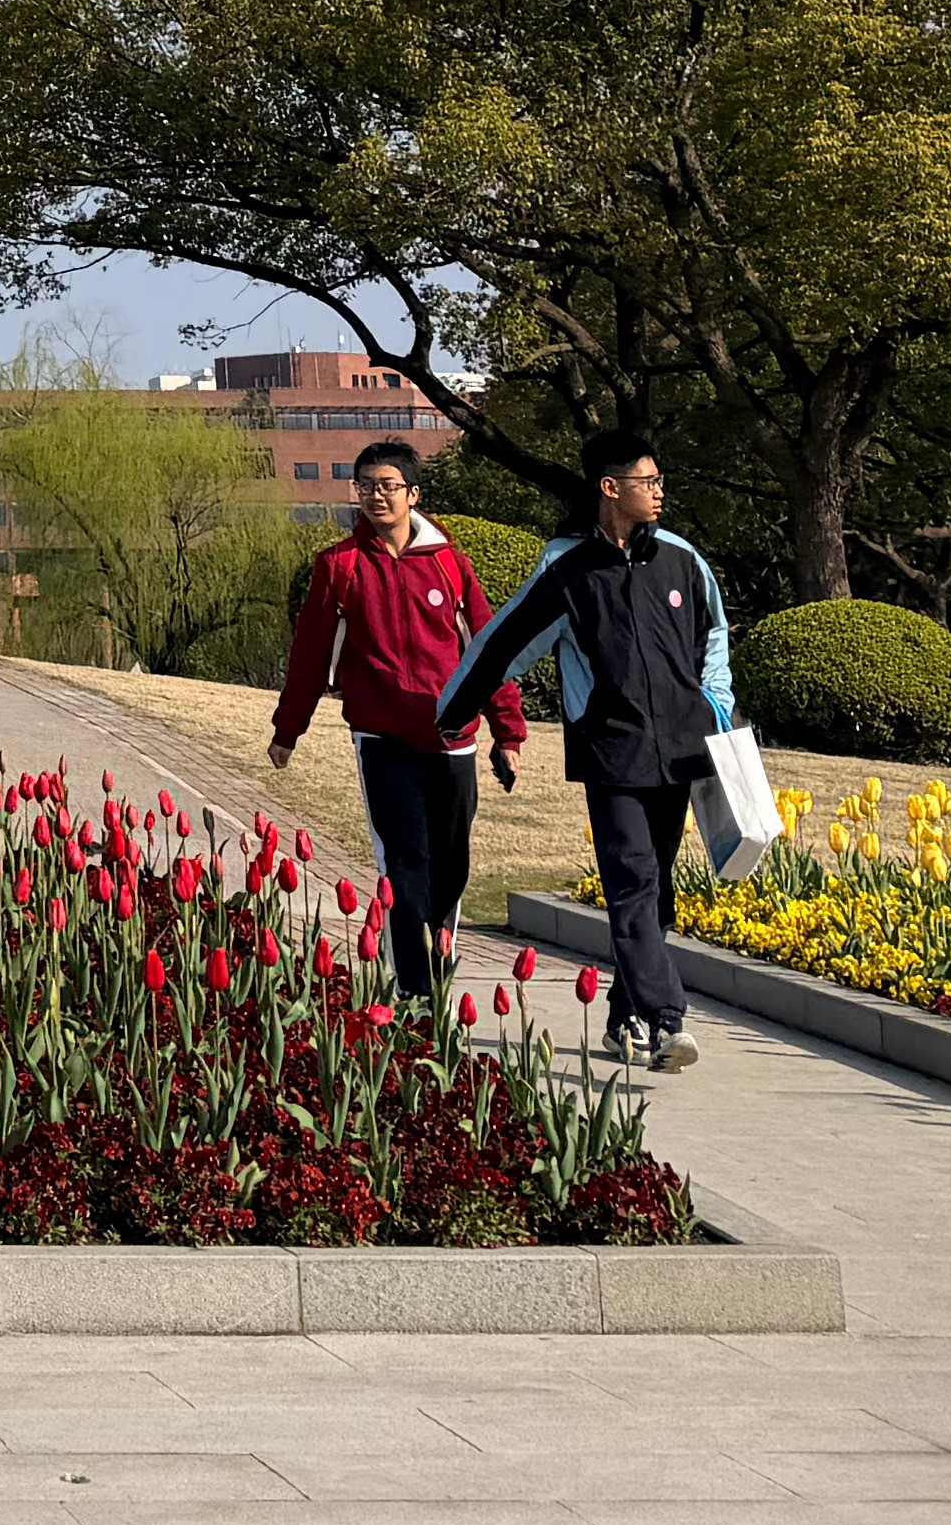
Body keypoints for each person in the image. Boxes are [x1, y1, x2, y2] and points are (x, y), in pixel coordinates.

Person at [437, 431, 738, 1075]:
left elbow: (714, 635)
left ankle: (623, 1018)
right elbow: (504, 642)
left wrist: (713, 702)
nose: (659, 492)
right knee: (631, 883)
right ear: (610, 488)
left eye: (660, 481)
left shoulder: (683, 560)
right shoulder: (568, 572)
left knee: (656, 897)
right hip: (611, 751)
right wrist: (454, 712)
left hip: (680, 752)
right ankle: (665, 1021)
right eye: (647, 482)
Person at [266, 443, 526, 1001]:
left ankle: (439, 959)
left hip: (451, 738)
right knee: (405, 861)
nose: (375, 495)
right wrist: (290, 729)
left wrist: (508, 730)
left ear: (413, 495)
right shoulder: (339, 566)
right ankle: (416, 988)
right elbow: (310, 652)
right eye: (365, 485)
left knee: (450, 867)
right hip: (382, 738)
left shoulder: (451, 564)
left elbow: (488, 649)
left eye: (387, 485)